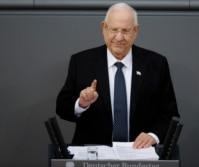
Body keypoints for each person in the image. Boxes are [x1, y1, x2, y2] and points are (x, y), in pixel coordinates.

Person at [56, 2, 179, 149]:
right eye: (114, 30)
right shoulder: (81, 62)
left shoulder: (156, 64)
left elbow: (170, 114)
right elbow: (62, 108)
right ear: (103, 27)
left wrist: (153, 136)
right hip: (93, 155)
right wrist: (81, 103)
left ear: (136, 31)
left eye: (126, 31)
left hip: (139, 154)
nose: (119, 37)